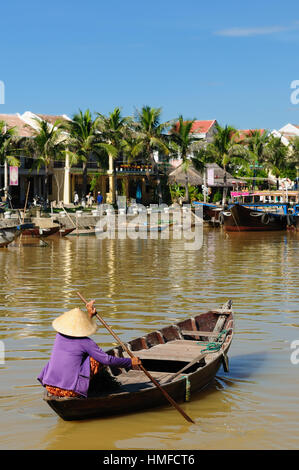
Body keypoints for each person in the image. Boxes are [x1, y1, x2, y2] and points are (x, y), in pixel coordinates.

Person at [37, 300, 141, 398]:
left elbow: (76, 331)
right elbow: (106, 360)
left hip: (50, 386)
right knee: (96, 359)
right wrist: (130, 361)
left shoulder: (59, 336)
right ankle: (91, 388)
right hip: (70, 391)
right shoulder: (86, 342)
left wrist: (89, 316)